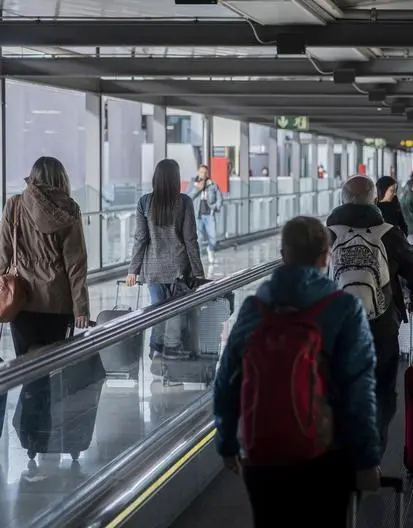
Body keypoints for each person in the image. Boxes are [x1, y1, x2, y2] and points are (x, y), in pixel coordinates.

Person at [213, 216, 382, 526]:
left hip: (262, 451)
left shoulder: (254, 308)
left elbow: (226, 381)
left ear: (283, 255)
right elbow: (359, 389)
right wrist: (367, 459)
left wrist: (226, 443)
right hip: (326, 452)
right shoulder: (344, 308)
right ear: (326, 257)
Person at [327, 176, 413, 454]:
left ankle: (342, 451)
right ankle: (372, 454)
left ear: (342, 199)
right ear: (374, 200)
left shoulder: (328, 234)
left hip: (338, 330)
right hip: (381, 326)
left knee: (339, 387)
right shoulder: (388, 233)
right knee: (382, 391)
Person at [0, 156, 91, 352]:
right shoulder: (69, 210)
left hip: (20, 301)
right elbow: (76, 265)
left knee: (26, 364)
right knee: (56, 365)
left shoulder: (14, 205)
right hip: (58, 303)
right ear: (61, 179)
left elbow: (2, 254)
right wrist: (81, 308)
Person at [127, 159, 204, 358]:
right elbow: (190, 239)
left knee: (157, 311)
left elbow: (140, 239)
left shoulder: (145, 202)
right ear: (176, 178)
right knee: (176, 313)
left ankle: (156, 350)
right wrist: (198, 272)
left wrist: (133, 270)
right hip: (179, 269)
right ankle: (171, 349)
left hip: (153, 270)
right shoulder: (184, 202)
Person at [189, 164, 223, 264]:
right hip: (197, 215)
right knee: (198, 238)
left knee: (213, 237)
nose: (203, 174)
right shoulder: (193, 184)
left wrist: (216, 207)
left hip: (209, 215)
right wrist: (197, 189)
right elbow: (188, 197)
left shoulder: (212, 184)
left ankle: (210, 251)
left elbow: (220, 198)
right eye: (201, 172)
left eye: (205, 172)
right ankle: (198, 258)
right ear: (198, 172)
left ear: (207, 173)